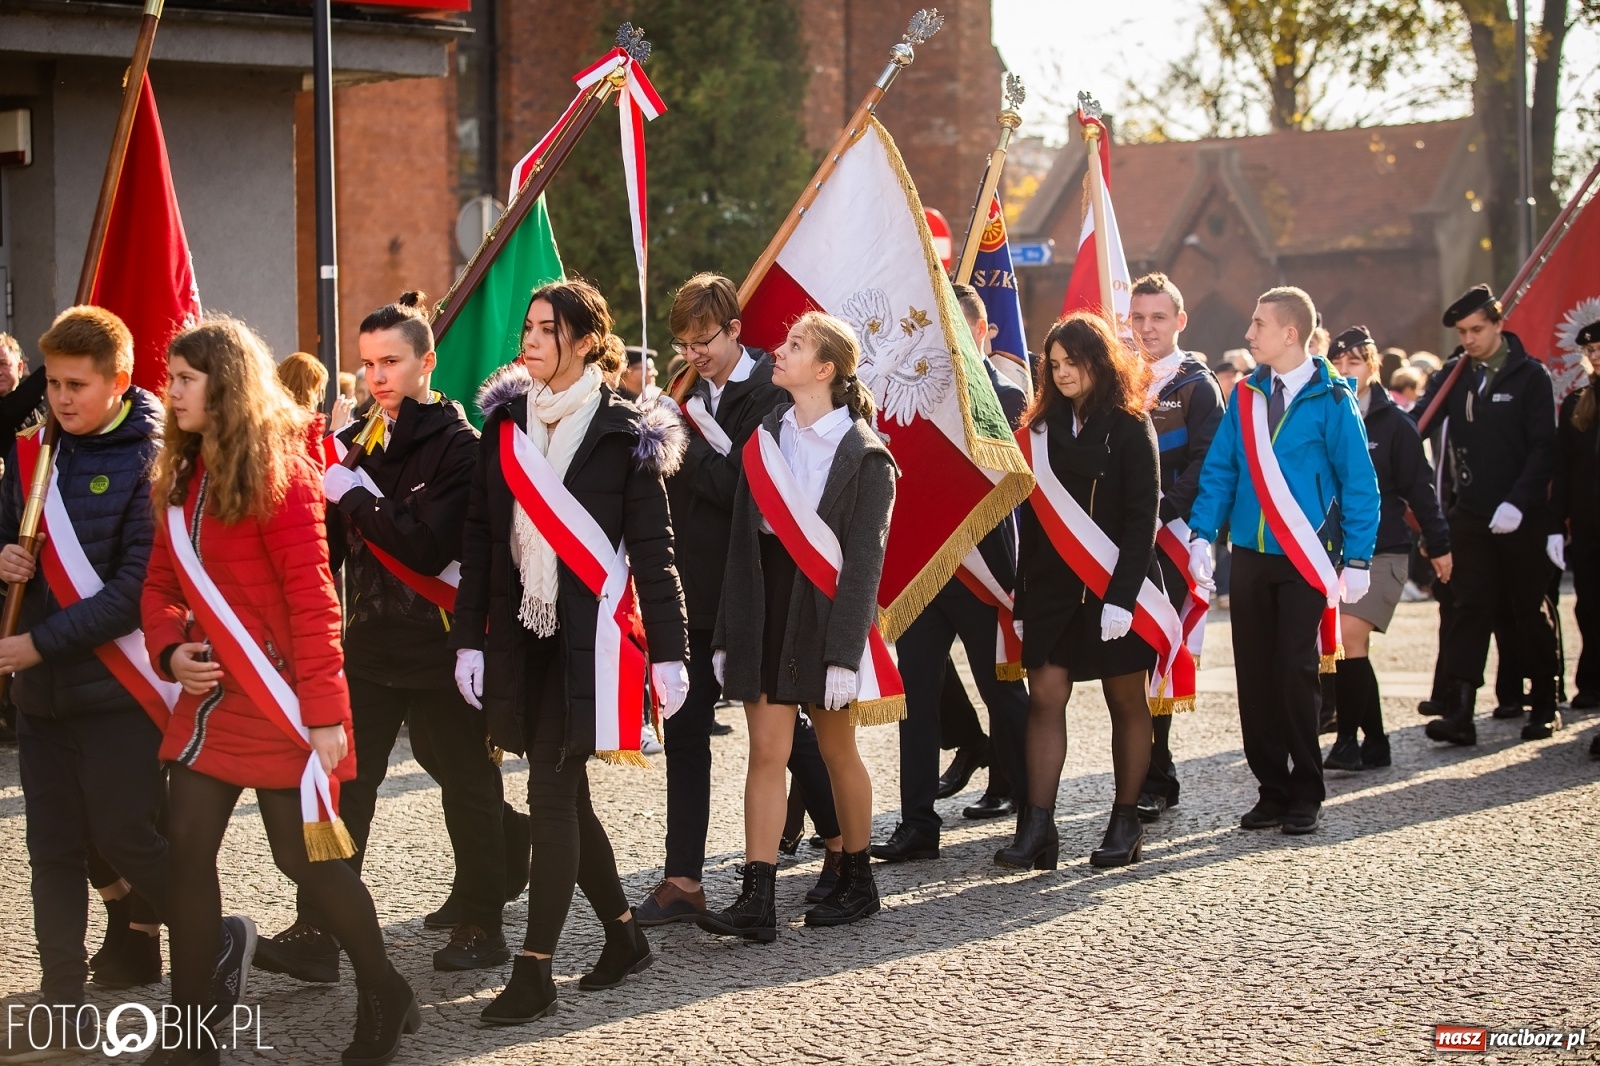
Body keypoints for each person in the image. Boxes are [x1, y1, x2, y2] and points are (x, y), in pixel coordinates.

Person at [143, 317, 418, 1066]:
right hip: (211, 703)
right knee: (184, 853)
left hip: (282, 703)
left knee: (306, 864)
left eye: (186, 380)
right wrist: (170, 650)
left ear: (226, 386)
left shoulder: (283, 474)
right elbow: (161, 586)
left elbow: (314, 600)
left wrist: (325, 716)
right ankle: (192, 1034)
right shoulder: (178, 477)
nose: (171, 393)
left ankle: (384, 990)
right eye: (172, 378)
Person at [254, 292, 529, 986]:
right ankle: (320, 927)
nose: (377, 377)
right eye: (369, 363)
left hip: (444, 647)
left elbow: (428, 545)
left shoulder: (461, 446)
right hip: (369, 648)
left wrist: (351, 492)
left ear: (427, 363)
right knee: (346, 786)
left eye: (392, 362)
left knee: (467, 785)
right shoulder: (355, 444)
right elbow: (327, 551)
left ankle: (482, 920)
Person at [452, 279, 689, 1024]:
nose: (529, 339)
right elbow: (482, 538)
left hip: (589, 641)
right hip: (522, 633)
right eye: (527, 326)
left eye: (546, 329)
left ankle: (536, 970)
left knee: (550, 795)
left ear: (585, 342)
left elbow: (654, 550)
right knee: (570, 799)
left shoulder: (625, 432)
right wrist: (468, 639)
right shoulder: (504, 426)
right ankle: (624, 936)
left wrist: (670, 653)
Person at [635, 273, 843, 926]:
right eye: (684, 344)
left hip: (754, 587)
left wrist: (677, 441)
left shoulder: (772, 392)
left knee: (782, 733)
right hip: (692, 587)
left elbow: (739, 487)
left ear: (734, 330)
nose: (693, 354)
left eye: (704, 341)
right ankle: (683, 879)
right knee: (684, 730)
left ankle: (843, 846)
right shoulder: (683, 393)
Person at [0, 308, 172, 1050]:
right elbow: (9, 540)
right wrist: (4, 560)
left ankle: (218, 934)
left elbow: (134, 590)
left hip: (116, 694)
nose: (61, 400)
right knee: (52, 854)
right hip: (42, 700)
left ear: (119, 381)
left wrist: (38, 644)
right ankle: (60, 1006)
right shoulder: (34, 453)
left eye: (77, 385)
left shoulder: (150, 461)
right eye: (54, 385)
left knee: (130, 841)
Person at [700, 311, 899, 941]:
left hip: (826, 613)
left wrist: (845, 654)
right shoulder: (766, 437)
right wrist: (728, 634)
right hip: (768, 606)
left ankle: (859, 880)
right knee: (767, 752)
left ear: (825, 369)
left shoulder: (866, 455)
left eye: (794, 345)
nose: (779, 352)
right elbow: (741, 548)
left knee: (839, 751)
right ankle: (757, 897)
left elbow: (864, 566)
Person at [1188, 287, 1380, 835]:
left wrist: (1359, 558)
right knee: (1254, 675)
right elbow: (1221, 469)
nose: (1249, 334)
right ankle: (1271, 788)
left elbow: (1359, 481)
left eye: (1259, 324)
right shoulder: (1246, 396)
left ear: (1290, 333)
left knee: (1296, 672)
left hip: (1304, 555)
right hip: (1250, 555)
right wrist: (1203, 534)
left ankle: (1306, 791)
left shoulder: (1333, 398)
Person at [995, 312, 1162, 871]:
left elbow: (1142, 519)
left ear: (1100, 362)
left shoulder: (1131, 425)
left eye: (1074, 362)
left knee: (1125, 702)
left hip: (1115, 587)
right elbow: (1032, 525)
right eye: (1055, 364)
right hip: (1051, 590)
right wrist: (1021, 599)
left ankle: (1125, 821)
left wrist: (1123, 597)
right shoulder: (1038, 432)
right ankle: (1037, 827)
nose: (1063, 373)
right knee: (1044, 698)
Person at [873, 284, 1028, 864]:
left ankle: (1033, 811)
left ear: (981, 332)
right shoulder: (910, 389)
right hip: (924, 568)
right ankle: (918, 824)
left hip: (983, 569)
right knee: (916, 700)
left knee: (1003, 694)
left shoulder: (1007, 396)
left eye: (956, 332)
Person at [1420, 284, 1561, 746]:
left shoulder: (1530, 376)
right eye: (1462, 332)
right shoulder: (1453, 375)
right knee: (1469, 606)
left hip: (1522, 514)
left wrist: (1518, 501)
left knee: (1528, 608)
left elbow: (1544, 447)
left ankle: (1544, 703)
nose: (1469, 340)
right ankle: (1460, 711)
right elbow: (1418, 420)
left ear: (1499, 323)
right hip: (1472, 512)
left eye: (1477, 329)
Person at [1323, 326, 1451, 771]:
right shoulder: (1324, 414)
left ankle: (1346, 742)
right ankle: (1375, 741)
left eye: (1354, 362)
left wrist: (1439, 544)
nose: (1345, 370)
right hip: (1334, 551)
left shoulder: (1394, 423)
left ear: (1373, 366)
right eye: (1337, 363)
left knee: (1348, 638)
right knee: (1346, 646)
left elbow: (1420, 488)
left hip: (1384, 549)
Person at [1128, 272, 1223, 823]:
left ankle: (1157, 777)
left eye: (1158, 317)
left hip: (1171, 536)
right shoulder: (1118, 377)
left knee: (1161, 650)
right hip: (1125, 537)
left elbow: (1208, 463)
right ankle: (1141, 771)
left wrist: (1159, 514)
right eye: (1138, 317)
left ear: (1180, 321)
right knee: (1130, 658)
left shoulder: (1197, 386)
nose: (1147, 328)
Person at [1553, 322, 1599, 737]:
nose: (1596, 356)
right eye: (1591, 350)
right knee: (1588, 605)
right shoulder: (1577, 403)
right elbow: (1564, 470)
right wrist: (1556, 523)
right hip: (1587, 524)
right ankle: (1592, 679)